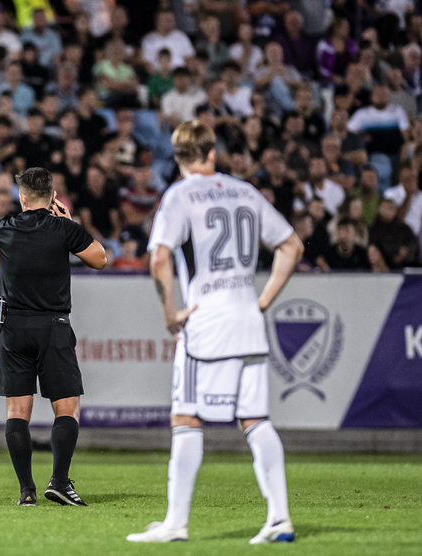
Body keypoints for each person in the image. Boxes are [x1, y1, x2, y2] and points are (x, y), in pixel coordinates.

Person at [128, 121, 304, 544]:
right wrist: (262, 301)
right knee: (255, 419)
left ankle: (175, 524)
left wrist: (170, 313)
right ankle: (279, 518)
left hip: (206, 321)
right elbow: (292, 246)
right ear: (212, 153)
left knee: (186, 417)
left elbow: (158, 259)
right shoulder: (245, 191)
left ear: (178, 157)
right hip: (247, 319)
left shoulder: (179, 195)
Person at [0, 168, 108, 507]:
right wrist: (69, 221)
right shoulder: (63, 229)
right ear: (52, 197)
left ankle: (27, 491)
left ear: (21, 197)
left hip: (14, 329)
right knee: (66, 408)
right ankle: (60, 482)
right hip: (53, 326)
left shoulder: (5, 228)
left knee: (16, 411)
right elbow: (100, 258)